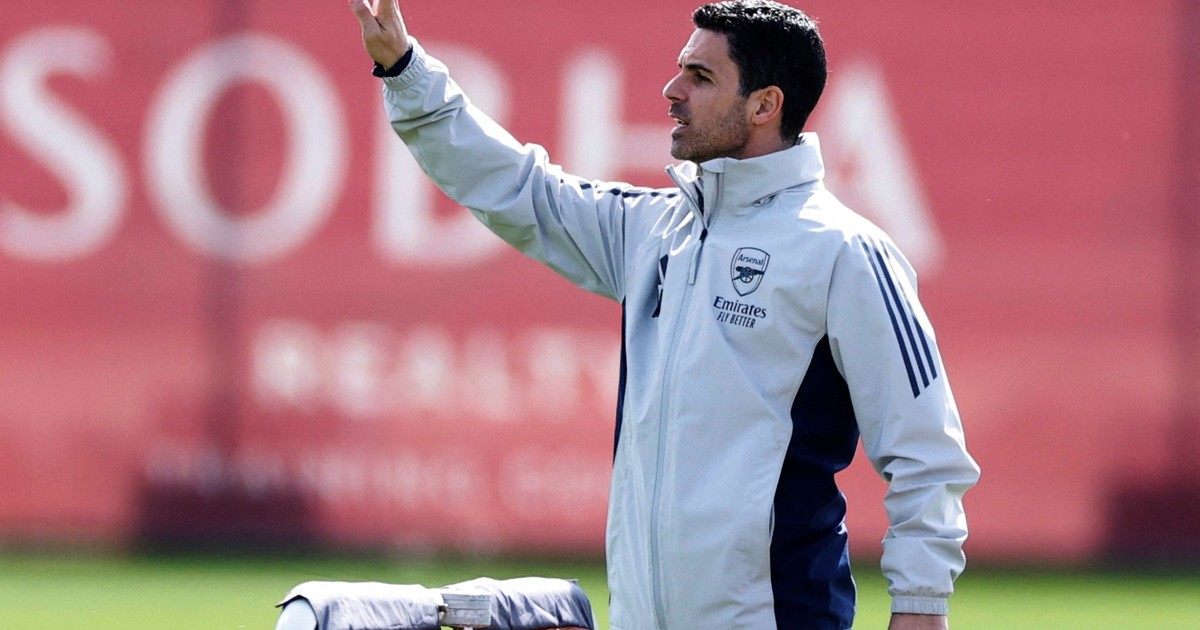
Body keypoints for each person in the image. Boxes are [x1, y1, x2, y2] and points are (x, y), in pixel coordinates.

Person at [346, 1, 980, 628]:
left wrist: (921, 604)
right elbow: (518, 187)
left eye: (700, 77)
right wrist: (405, 70)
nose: (672, 90)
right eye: (682, 69)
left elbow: (925, 450)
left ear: (764, 105)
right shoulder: (652, 228)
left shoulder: (846, 251)